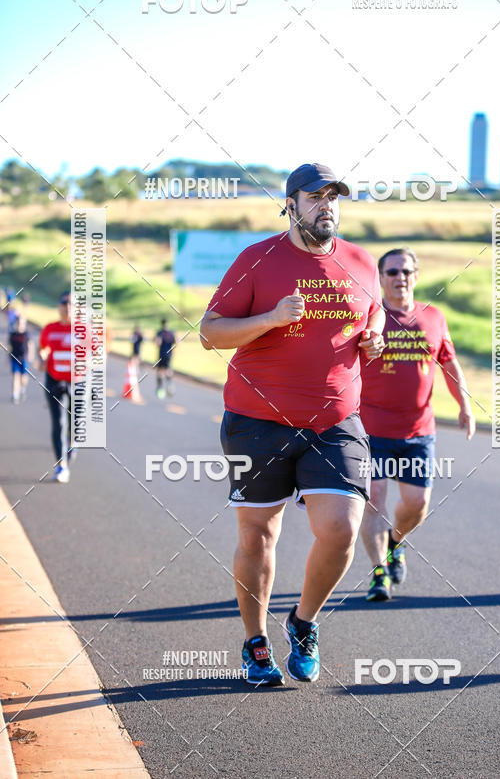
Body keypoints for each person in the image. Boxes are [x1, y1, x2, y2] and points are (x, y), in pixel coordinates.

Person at [200, 163, 385, 686]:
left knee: (341, 529)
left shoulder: (360, 262)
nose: (327, 205)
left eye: (334, 197)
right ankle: (256, 642)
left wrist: (373, 340)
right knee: (258, 533)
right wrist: (270, 320)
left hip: (335, 422)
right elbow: (210, 334)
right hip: (257, 422)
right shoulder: (256, 260)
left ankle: (302, 622)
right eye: (315, 196)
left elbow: (371, 317)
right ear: (291, 203)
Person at [359, 248, 476, 601]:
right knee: (374, 499)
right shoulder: (370, 317)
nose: (400, 278)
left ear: (416, 275)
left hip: (418, 431)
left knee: (416, 505)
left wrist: (465, 405)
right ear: (380, 278)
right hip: (371, 428)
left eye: (406, 271)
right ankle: (379, 572)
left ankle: (395, 543)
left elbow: (450, 364)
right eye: (392, 272)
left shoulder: (434, 317)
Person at [38, 291, 73, 483]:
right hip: (55, 380)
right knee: (59, 422)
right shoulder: (50, 329)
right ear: (59, 306)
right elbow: (43, 348)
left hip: (77, 382)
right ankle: (61, 465)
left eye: (71, 303)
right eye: (64, 303)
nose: (67, 306)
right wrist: (42, 355)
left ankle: (70, 450)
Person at [8, 314, 32, 403]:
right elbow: (9, 346)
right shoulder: (12, 334)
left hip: (24, 358)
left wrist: (30, 356)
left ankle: (22, 389)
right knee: (15, 376)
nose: (19, 325)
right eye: (18, 323)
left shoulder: (26, 334)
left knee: (23, 377)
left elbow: (30, 345)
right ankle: (15, 395)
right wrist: (7, 357)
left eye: (21, 323)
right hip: (14, 358)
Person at [155, 319, 175, 398]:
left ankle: (160, 388)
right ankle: (169, 386)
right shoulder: (171, 333)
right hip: (169, 355)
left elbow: (158, 343)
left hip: (161, 355)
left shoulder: (160, 333)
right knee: (168, 370)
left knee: (160, 372)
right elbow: (177, 342)